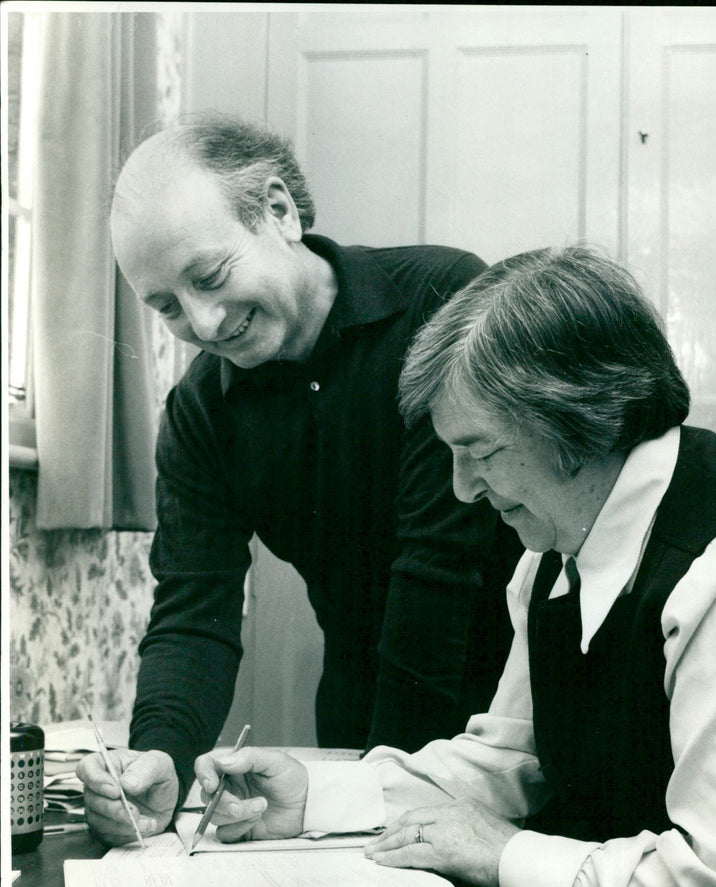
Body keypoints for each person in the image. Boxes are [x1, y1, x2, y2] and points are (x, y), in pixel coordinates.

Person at [188, 247, 716, 887]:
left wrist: (505, 855)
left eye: (478, 452)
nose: (462, 489)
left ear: (581, 417)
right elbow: (507, 757)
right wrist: (313, 798)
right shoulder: (549, 560)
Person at [77, 112, 520, 843]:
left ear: (279, 211)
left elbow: (439, 573)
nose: (206, 323)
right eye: (166, 308)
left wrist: (378, 797)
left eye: (210, 276)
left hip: (507, 708)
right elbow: (194, 605)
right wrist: (161, 752)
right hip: (358, 705)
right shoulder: (198, 412)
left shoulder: (442, 299)